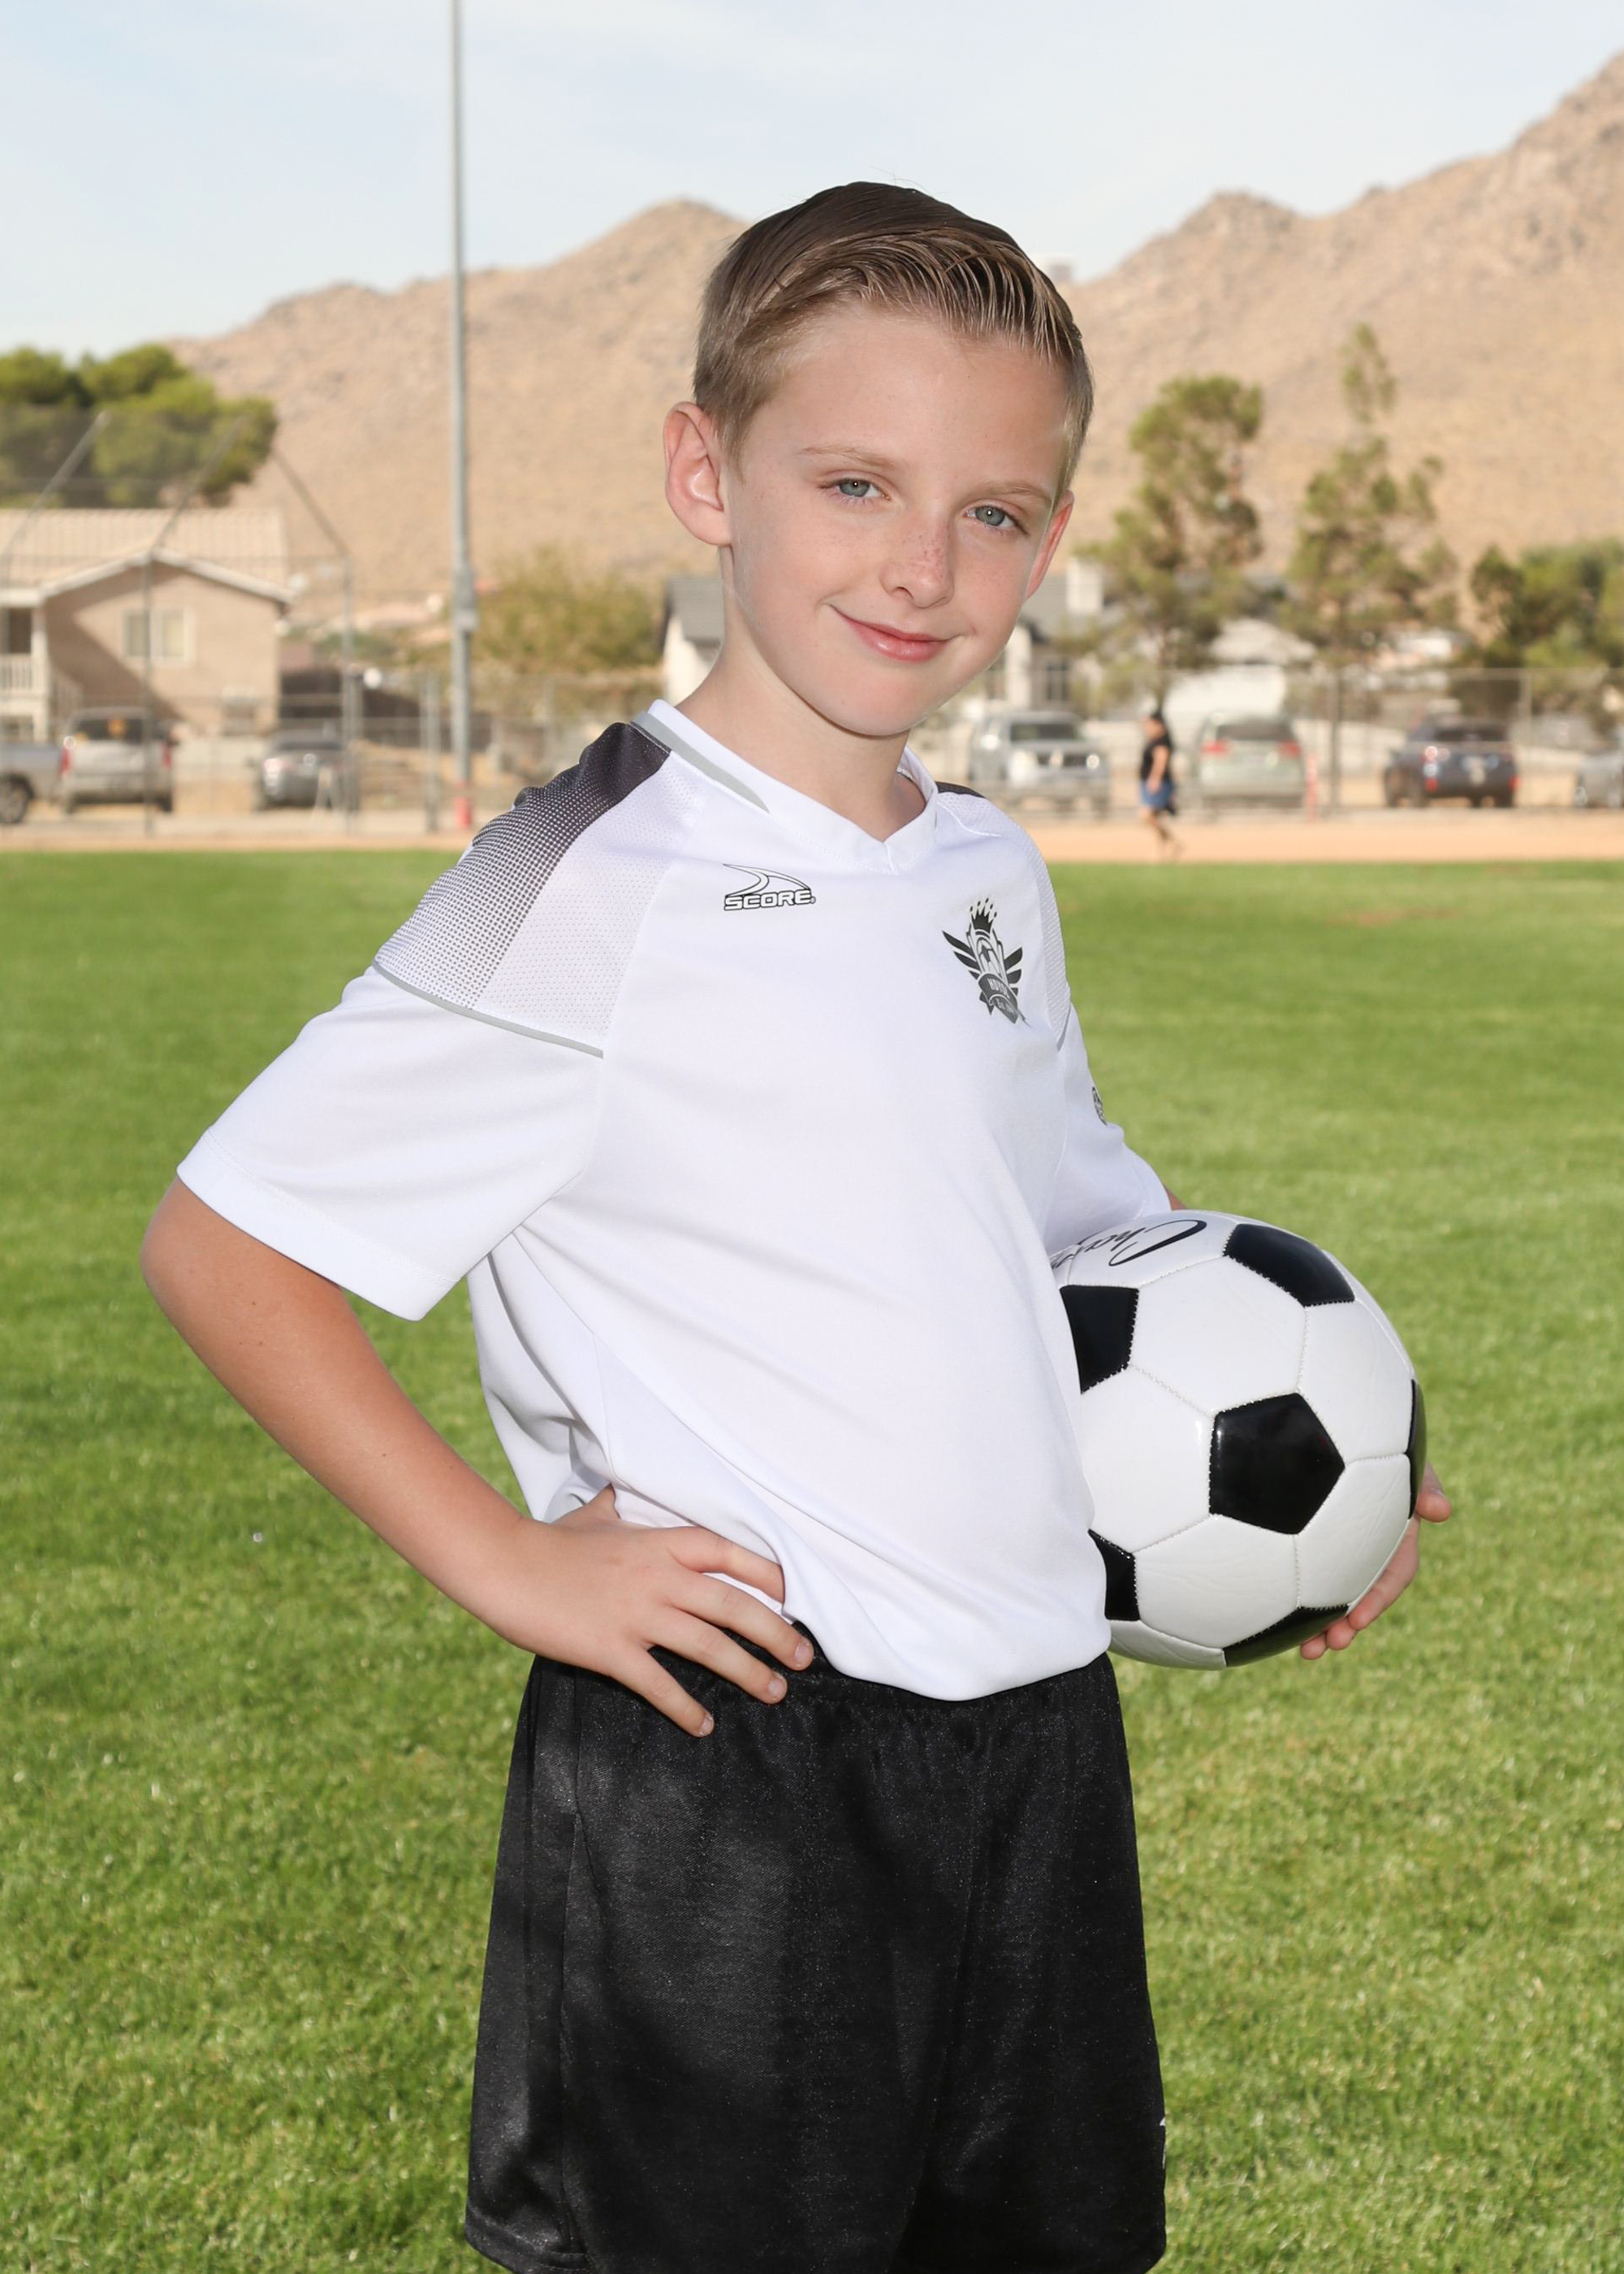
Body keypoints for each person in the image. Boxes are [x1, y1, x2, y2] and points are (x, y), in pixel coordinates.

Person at [140, 184, 1451, 2274]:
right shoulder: (567, 872)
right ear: (706, 474)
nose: (921, 566)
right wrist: (505, 1561)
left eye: (992, 513)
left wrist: (1329, 1463)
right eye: (853, 484)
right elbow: (228, 1242)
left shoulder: (983, 861)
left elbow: (1063, 1215)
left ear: (1046, 535)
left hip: (1034, 1737)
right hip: (727, 1767)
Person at [1138, 707, 1179, 854]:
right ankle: (1162, 852)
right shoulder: (1154, 740)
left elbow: (1160, 761)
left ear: (1158, 724)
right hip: (1151, 782)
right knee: (1155, 818)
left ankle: (1173, 841)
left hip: (1158, 783)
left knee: (1146, 815)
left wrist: (1155, 779)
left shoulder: (1161, 742)